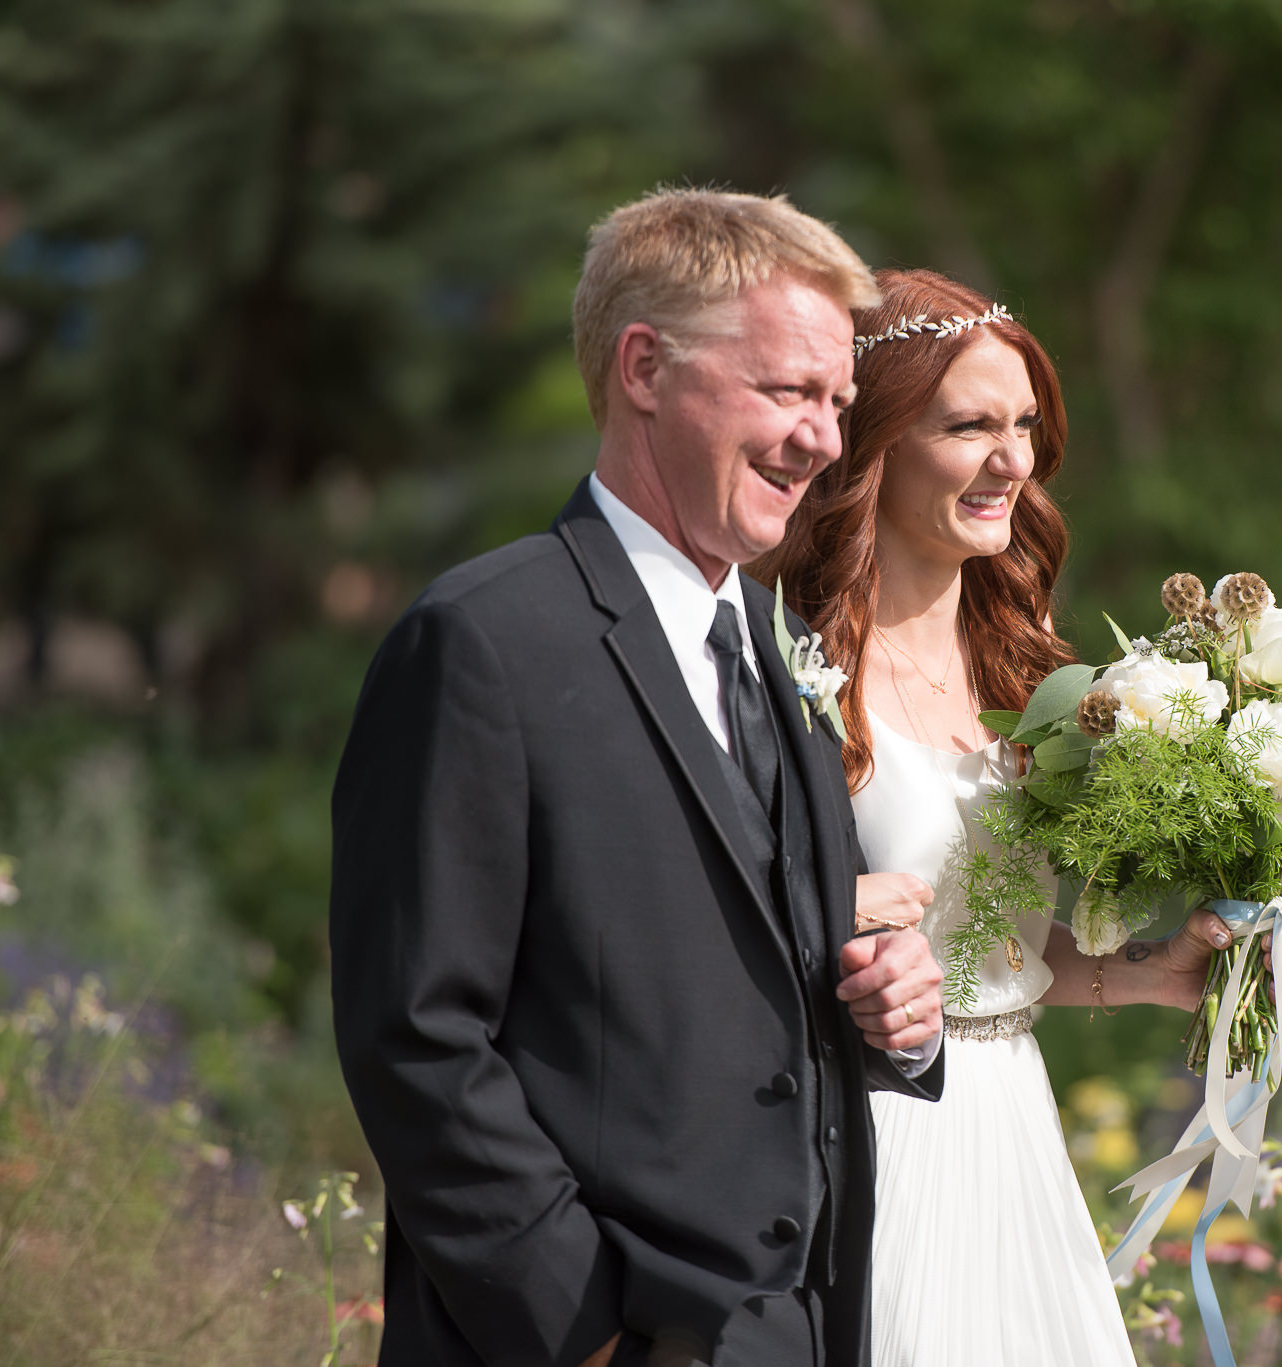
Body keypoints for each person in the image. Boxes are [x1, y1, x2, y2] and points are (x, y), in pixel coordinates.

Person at [328, 189, 948, 1367]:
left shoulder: (780, 648)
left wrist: (894, 1011)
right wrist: (589, 1329)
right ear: (645, 368)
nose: (822, 438)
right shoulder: (481, 641)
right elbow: (416, 1034)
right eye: (786, 391)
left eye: (834, 402)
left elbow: (761, 973)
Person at [754, 269, 1233, 1367]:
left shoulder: (1027, 671)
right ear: (870, 442)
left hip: (1012, 1126)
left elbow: (993, 949)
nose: (1012, 459)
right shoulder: (784, 668)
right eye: (970, 424)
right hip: (868, 1138)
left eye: (1022, 424)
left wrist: (1153, 970)